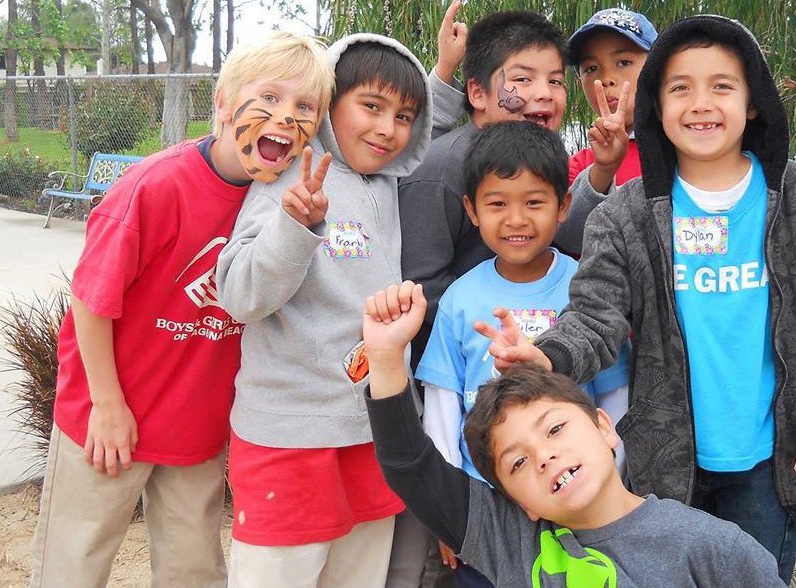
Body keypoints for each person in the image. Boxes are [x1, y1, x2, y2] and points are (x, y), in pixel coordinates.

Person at [476, 15, 796, 584]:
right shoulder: (626, 214)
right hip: (666, 463)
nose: (701, 103)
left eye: (722, 86)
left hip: (771, 461)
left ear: (753, 103)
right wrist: (549, 355)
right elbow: (596, 314)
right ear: (655, 107)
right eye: (679, 88)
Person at [29, 32, 333, 588]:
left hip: (196, 428)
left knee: (194, 571)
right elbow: (92, 301)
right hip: (107, 415)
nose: (285, 117)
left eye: (304, 107)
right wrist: (107, 404)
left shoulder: (283, 202)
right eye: (268, 97)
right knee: (73, 563)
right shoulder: (155, 186)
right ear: (222, 103)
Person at [360, 282, 785, 587]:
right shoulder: (511, 542)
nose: (544, 455)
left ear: (604, 428)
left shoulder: (713, 547)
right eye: (518, 463)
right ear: (517, 502)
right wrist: (383, 358)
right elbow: (411, 467)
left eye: (556, 428)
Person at [214, 34, 433, 587]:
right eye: (371, 107)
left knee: (357, 577)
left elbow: (435, 114)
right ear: (329, 105)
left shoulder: (386, 179)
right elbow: (240, 296)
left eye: (404, 116)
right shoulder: (292, 175)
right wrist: (296, 226)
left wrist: (446, 74)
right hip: (291, 436)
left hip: (372, 427)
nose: (388, 128)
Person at [416, 121, 631, 587]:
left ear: (564, 206)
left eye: (534, 202)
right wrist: (449, 509)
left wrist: (611, 472)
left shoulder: (586, 285)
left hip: (574, 493)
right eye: (497, 204)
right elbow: (441, 405)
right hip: (485, 506)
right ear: (472, 210)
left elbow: (614, 394)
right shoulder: (460, 296)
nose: (516, 220)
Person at [398, 10, 571, 377]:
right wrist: (498, 327)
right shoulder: (441, 169)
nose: (544, 93)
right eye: (522, 79)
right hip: (461, 365)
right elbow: (421, 284)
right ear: (477, 93)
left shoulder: (545, 159)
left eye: (556, 81)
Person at [566, 8, 658, 191]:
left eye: (624, 62)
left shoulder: (685, 146)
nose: (606, 78)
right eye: (591, 68)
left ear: (658, 67)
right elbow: (569, 219)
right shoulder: (580, 166)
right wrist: (602, 173)